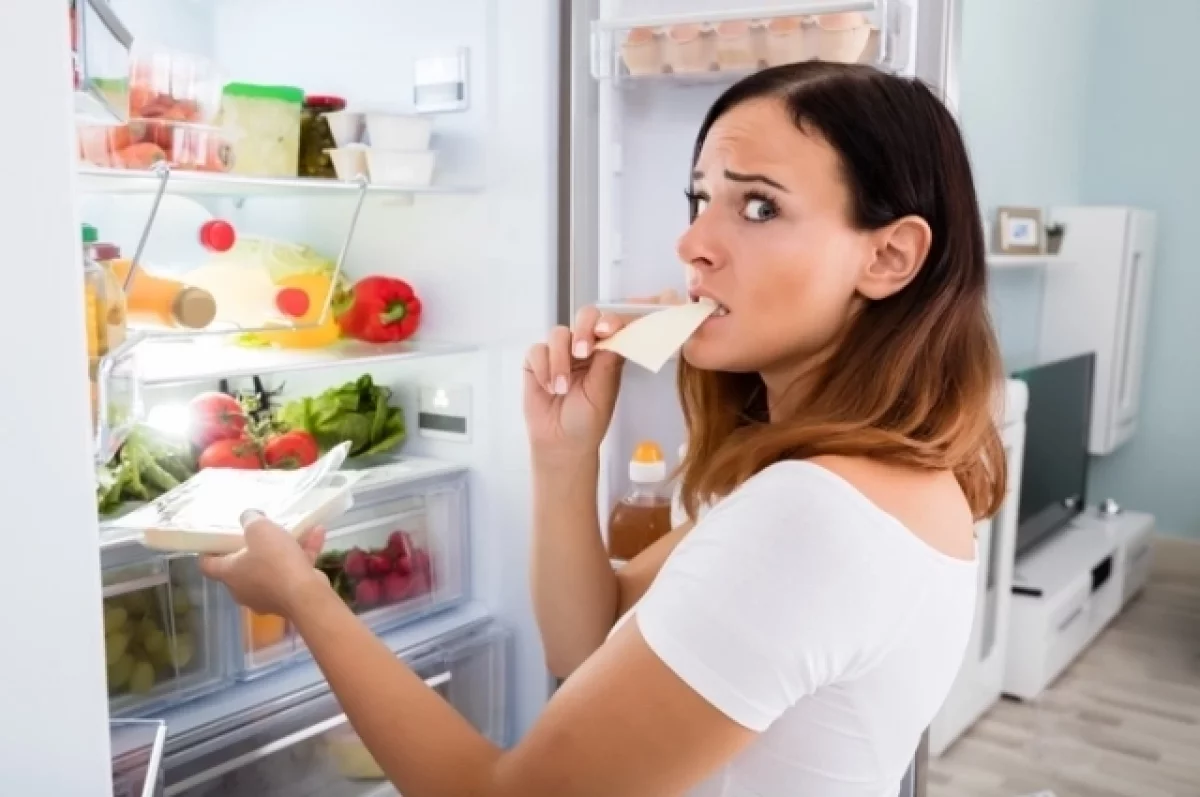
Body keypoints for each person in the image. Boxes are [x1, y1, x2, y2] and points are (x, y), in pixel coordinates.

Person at [201, 60, 1006, 797]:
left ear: (889, 257)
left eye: (759, 206)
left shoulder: (810, 515)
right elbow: (585, 644)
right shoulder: (855, 475)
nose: (693, 244)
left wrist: (304, 596)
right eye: (700, 199)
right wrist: (565, 455)